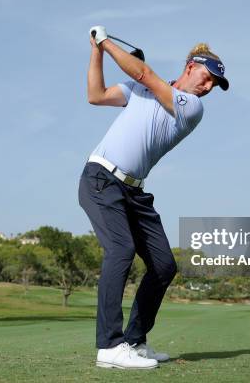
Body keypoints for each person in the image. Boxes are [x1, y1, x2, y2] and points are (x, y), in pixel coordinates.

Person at [78, 25, 229, 369]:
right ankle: (109, 347)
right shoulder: (139, 90)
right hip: (101, 177)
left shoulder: (191, 107)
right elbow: (96, 95)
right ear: (191, 66)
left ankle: (134, 340)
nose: (208, 88)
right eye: (206, 78)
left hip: (134, 191)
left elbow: (144, 73)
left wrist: (106, 41)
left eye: (213, 86)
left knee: (164, 265)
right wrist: (97, 50)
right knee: (121, 249)